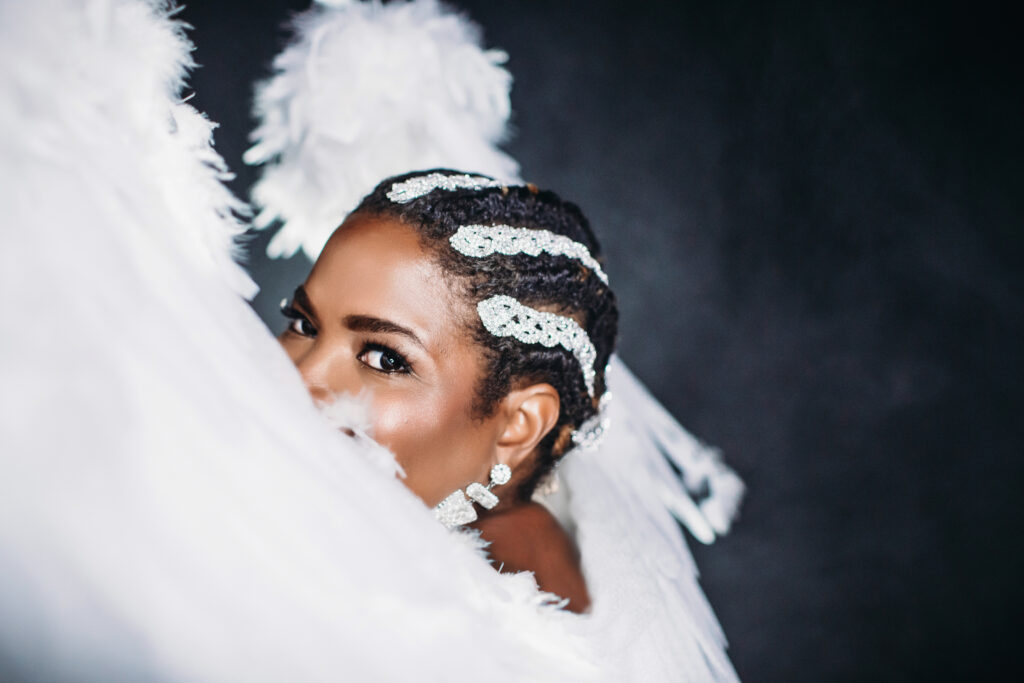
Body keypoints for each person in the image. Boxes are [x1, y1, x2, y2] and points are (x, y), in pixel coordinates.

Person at [278, 169, 615, 612]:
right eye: (304, 324)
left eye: (385, 359)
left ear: (518, 425)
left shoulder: (505, 612)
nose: (299, 377)